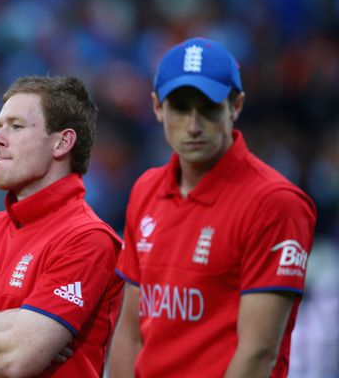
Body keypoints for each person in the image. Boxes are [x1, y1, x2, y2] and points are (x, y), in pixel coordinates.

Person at [109, 37, 317, 378]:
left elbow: (258, 354)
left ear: (236, 106)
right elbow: (130, 333)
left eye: (208, 108)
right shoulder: (146, 189)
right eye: (179, 108)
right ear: (157, 108)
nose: (193, 126)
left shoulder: (275, 203)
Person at [0, 75, 124, 377]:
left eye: (16, 126)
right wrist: (10, 323)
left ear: (62, 142)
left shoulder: (87, 239)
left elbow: (14, 361)